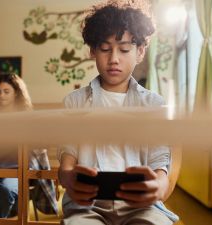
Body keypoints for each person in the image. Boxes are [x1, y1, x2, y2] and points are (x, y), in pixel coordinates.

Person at [57, 0, 179, 224]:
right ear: (93, 51)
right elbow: (67, 159)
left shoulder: (154, 104)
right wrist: (68, 179)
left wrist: (160, 187)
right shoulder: (75, 102)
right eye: (105, 48)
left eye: (124, 49)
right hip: (87, 206)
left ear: (140, 52)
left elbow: (160, 162)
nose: (114, 58)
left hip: (141, 207)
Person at [0, 74, 58, 218]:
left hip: (18, 170)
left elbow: (40, 145)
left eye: (6, 91)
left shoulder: (26, 118)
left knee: (5, 191)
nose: (1, 95)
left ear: (16, 93)